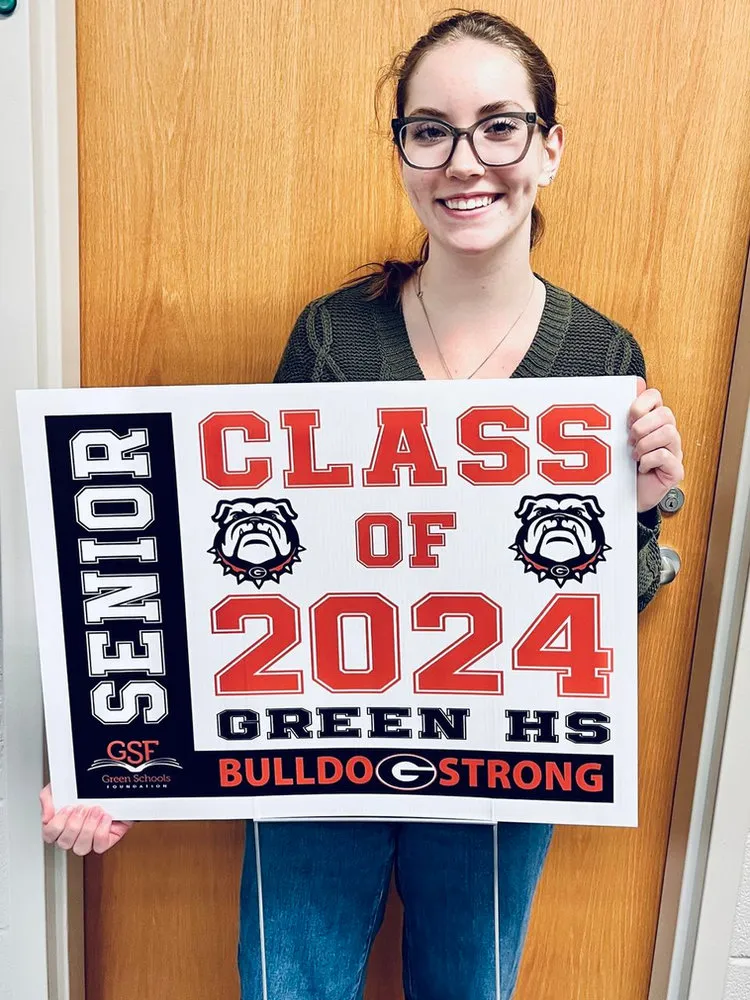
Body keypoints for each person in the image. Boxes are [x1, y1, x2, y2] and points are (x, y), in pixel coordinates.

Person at [40, 10, 684, 1000]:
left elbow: (591, 627)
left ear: (548, 148)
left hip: (503, 766)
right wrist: (113, 754)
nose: (464, 160)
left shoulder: (601, 357)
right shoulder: (335, 336)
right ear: (403, 154)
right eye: (430, 129)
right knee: (287, 987)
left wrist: (637, 515)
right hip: (313, 751)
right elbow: (238, 560)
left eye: (499, 125)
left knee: (469, 988)